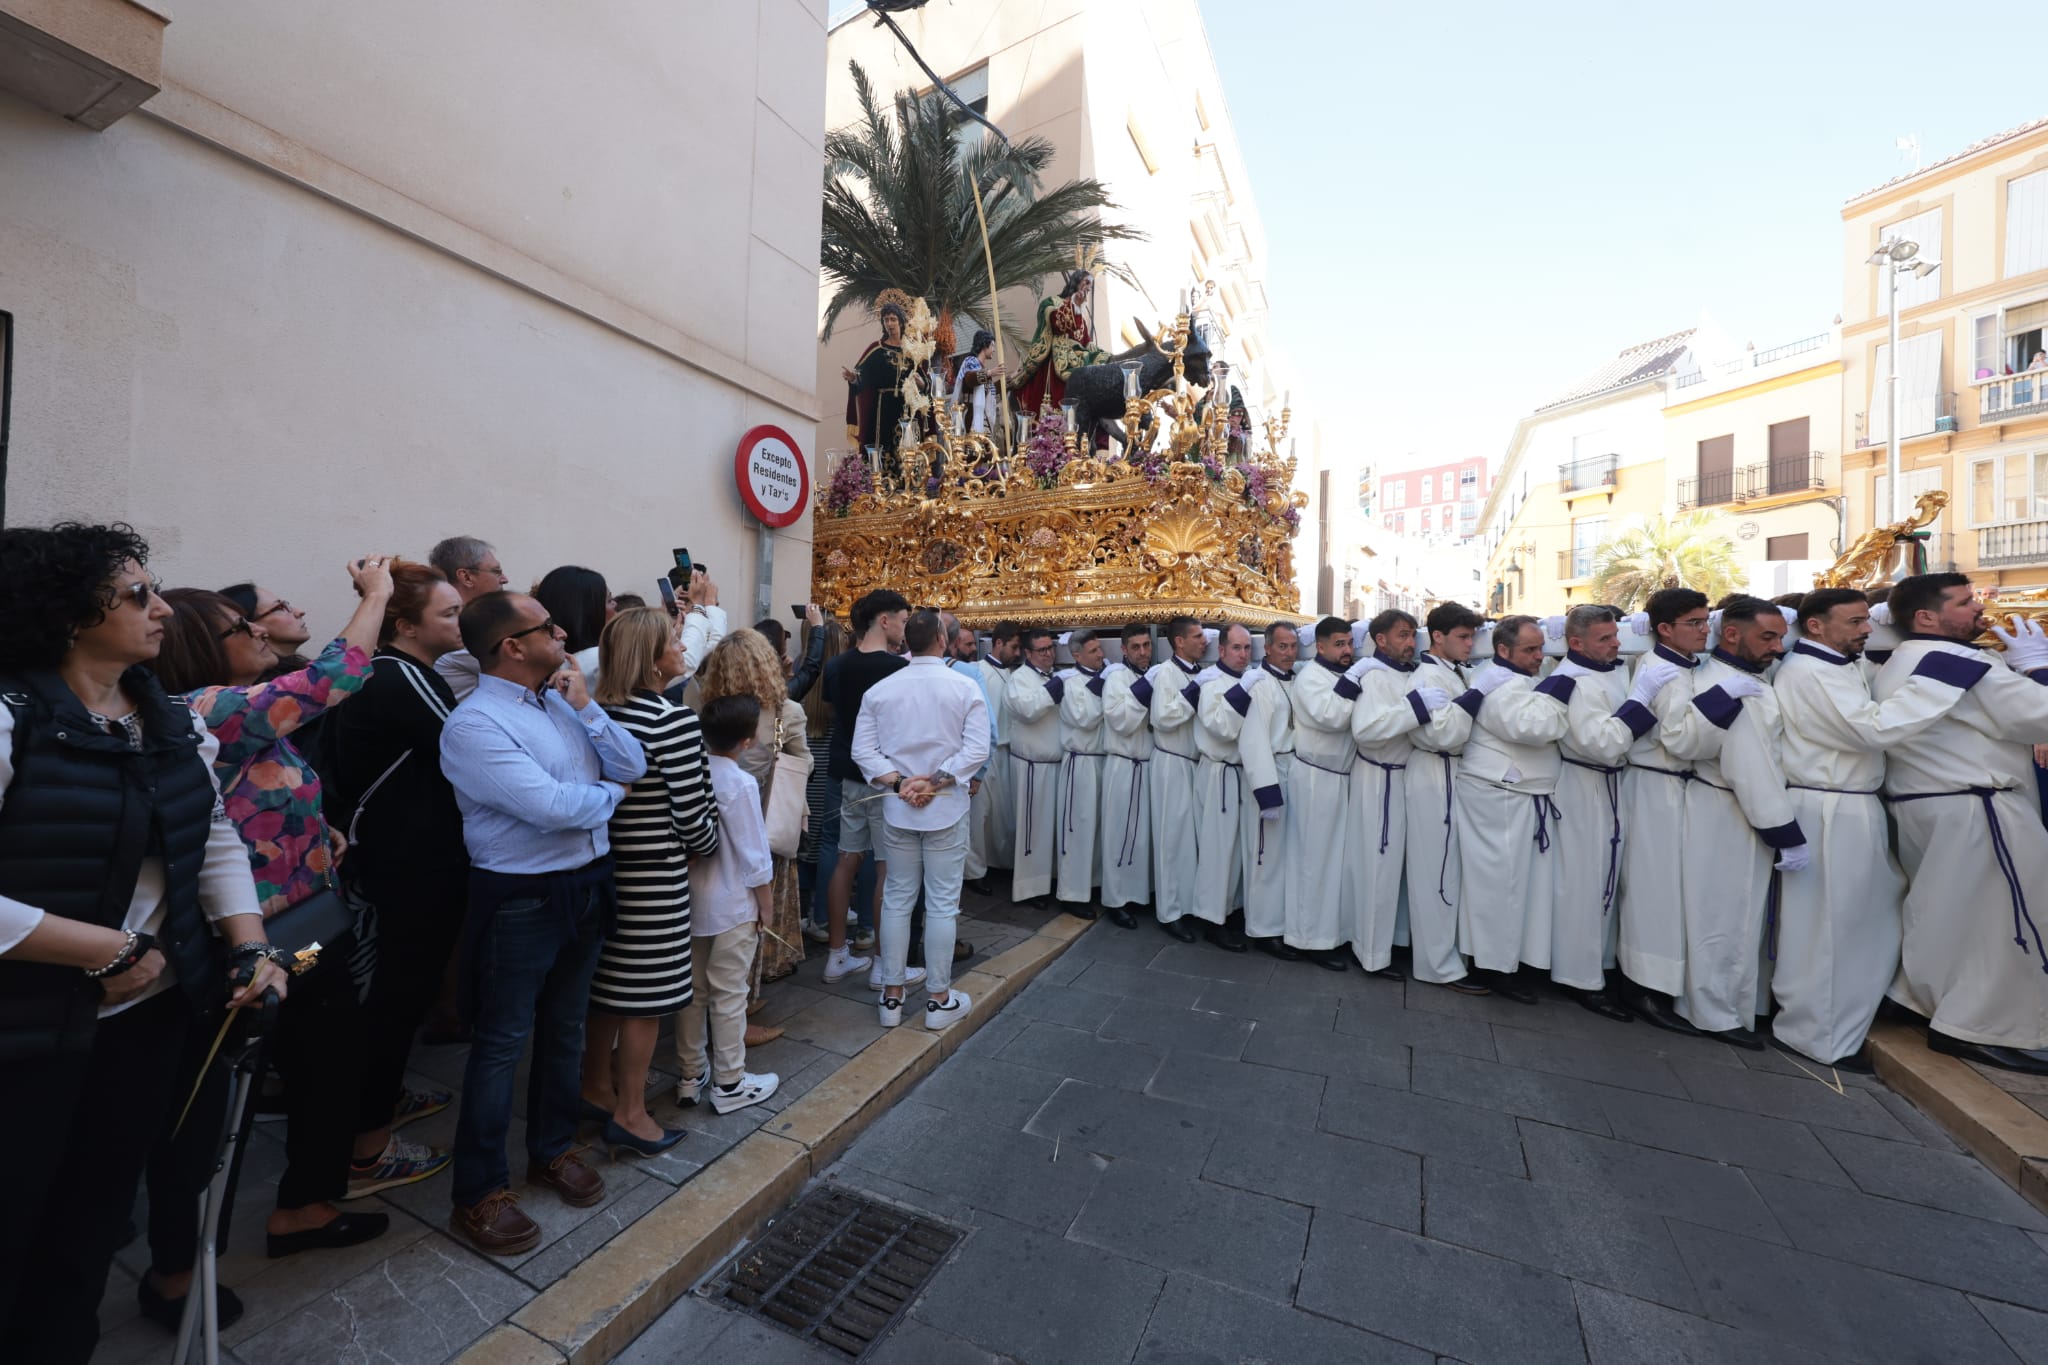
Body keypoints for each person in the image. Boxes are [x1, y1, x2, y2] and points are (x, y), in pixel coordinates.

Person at [0, 524, 287, 1361]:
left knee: (93, 1215)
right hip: (25, 1028)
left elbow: (216, 834)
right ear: (66, 614)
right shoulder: (11, 715)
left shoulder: (164, 717)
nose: (161, 607)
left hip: (150, 1019)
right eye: (137, 593)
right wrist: (107, 949)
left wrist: (249, 943)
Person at [154, 564, 397, 1266]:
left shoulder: (237, 714)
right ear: (199, 648)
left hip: (306, 935)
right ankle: (181, 1268)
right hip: (263, 948)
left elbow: (257, 804)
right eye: (240, 628)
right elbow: (333, 679)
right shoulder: (210, 709)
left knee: (325, 1060)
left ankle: (305, 1206)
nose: (260, 629)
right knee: (228, 1103)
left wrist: (319, 836)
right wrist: (376, 596)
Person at [438, 590, 647, 1256]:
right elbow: (553, 806)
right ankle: (478, 1189)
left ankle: (551, 1148)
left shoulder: (558, 700)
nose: (563, 632)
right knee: (502, 1041)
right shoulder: (473, 724)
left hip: (587, 884)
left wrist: (586, 706)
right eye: (547, 627)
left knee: (566, 1026)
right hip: (522, 897)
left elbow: (634, 761)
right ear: (513, 646)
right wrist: (612, 798)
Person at [327, 559, 471, 1197]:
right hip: (405, 869)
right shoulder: (397, 676)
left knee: (400, 999)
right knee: (395, 999)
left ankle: (377, 1101)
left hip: (409, 861)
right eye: (449, 613)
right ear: (405, 626)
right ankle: (367, 1150)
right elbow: (470, 750)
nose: (461, 620)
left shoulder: (414, 672)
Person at [1773, 588, 1954, 1070]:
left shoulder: (1838, 663)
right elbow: (1869, 729)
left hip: (1853, 806)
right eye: (1854, 622)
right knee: (1830, 926)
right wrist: (1942, 679)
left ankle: (1842, 1023)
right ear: (1815, 625)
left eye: (1865, 620)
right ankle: (1816, 1034)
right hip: (1828, 808)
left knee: (1860, 921)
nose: (1865, 629)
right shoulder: (1808, 671)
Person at [1875, 573, 2048, 1073]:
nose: (1979, 608)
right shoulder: (1958, 660)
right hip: (1977, 805)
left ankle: (1922, 1001)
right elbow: (2037, 716)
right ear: (1926, 618)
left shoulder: (1901, 660)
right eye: (1966, 601)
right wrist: (2037, 669)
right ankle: (1978, 1026)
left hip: (1930, 804)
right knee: (2003, 920)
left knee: (1946, 913)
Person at [579, 608, 717, 1156]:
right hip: (656, 875)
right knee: (646, 999)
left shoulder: (594, 713)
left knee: (606, 989)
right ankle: (632, 1113)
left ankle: (595, 1087)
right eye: (673, 641)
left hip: (604, 866)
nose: (682, 648)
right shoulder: (670, 720)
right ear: (651, 657)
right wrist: (708, 846)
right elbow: (693, 815)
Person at [1653, 595, 1803, 1048]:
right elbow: (1748, 766)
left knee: (1740, 913)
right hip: (1727, 810)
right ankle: (1713, 1013)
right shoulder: (1728, 685)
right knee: (1722, 915)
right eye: (1767, 636)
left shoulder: (1746, 676)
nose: (1778, 647)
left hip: (1733, 808)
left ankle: (1738, 1005)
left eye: (1781, 636)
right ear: (1732, 634)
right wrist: (1785, 833)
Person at [853, 610, 991, 1030]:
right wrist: (933, 781)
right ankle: (938, 998)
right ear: (943, 641)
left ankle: (891, 997)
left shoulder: (881, 689)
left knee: (898, 898)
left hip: (901, 806)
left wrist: (901, 784)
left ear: (906, 642)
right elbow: (976, 750)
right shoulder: (964, 687)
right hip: (943, 804)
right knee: (942, 904)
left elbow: (863, 750)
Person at [1546, 606, 1665, 1020]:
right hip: (1583, 787)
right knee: (1583, 883)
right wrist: (1641, 699)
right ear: (1575, 642)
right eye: (1605, 639)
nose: (1616, 644)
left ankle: (1600, 966)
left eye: (1616, 635)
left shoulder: (1609, 668)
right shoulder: (1570, 680)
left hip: (1611, 786)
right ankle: (1578, 976)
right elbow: (1602, 743)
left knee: (1607, 879)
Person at [696, 630, 812, 1034]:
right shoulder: (786, 711)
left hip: (702, 827)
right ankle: (737, 1012)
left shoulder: (696, 702)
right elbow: (803, 766)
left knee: (707, 928)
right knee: (751, 925)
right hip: (762, 826)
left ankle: (714, 1015)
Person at [1451, 616, 1569, 1003]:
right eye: (1530, 650)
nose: (1539, 657)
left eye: (1541, 648)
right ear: (1503, 651)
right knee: (1498, 887)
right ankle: (1493, 967)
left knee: (1516, 887)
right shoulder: (1499, 684)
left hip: (1517, 796)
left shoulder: (1515, 676)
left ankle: (1510, 961)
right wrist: (1563, 686)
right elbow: (1531, 727)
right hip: (1498, 797)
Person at [679, 695, 784, 1110]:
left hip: (689, 902)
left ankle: (690, 1074)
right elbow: (754, 854)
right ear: (747, 740)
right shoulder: (740, 782)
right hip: (732, 903)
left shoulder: (690, 773)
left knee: (692, 992)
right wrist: (767, 904)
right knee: (729, 994)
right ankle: (729, 1081)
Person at [1616, 588, 1711, 1032]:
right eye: (1693, 623)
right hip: (1655, 784)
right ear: (1665, 629)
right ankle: (1643, 987)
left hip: (1678, 789)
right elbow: (1678, 737)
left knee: (1673, 889)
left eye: (1705, 620)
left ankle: (1663, 981)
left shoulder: (1690, 666)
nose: (1703, 630)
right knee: (1654, 890)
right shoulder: (1657, 671)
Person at [1342, 611, 1451, 981]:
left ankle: (1396, 942)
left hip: (1406, 777)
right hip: (1379, 779)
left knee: (1404, 870)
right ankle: (1371, 954)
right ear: (1380, 639)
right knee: (1378, 868)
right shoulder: (1373, 674)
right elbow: (1367, 730)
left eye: (1412, 636)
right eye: (1402, 635)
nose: (1410, 643)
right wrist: (1416, 708)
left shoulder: (1408, 672)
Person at [821, 591, 910, 982]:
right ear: (884, 621)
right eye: (903, 621)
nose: (905, 629)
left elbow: (835, 712)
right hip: (883, 773)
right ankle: (881, 962)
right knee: (886, 867)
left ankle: (836, 953)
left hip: (845, 769)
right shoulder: (896, 668)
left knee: (846, 859)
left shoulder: (838, 665)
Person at [1404, 604, 1480, 991]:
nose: (1471, 644)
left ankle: (1452, 955)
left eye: (1471, 636)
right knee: (1435, 870)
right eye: (1463, 637)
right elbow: (1442, 735)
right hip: (1434, 773)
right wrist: (1476, 697)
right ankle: (1436, 965)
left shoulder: (1454, 673)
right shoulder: (1426, 678)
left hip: (1452, 775)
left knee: (1451, 869)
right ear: (1437, 637)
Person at [1286, 618, 1357, 971]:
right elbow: (1330, 716)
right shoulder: (1311, 677)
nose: (1347, 650)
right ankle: (1309, 939)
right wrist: (1355, 685)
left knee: (1336, 863)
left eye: (1349, 643)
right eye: (1340, 644)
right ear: (1321, 646)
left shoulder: (1338, 676)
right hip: (1315, 778)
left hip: (1340, 779)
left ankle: (1332, 933)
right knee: (1314, 862)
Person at [1191, 625, 1257, 952]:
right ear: (1221, 650)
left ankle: (1230, 910)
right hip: (1219, 772)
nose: (1243, 654)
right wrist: (1243, 693)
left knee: (1238, 850)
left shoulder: (1249, 678)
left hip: (1242, 774)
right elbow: (1221, 728)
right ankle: (1211, 919)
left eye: (1247, 648)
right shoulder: (1211, 683)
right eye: (1236, 648)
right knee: (1218, 849)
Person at [1237, 623, 1299, 958]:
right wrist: (1266, 791)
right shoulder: (1261, 684)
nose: (1290, 653)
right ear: (1268, 648)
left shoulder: (1294, 679)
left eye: (1293, 646)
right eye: (1283, 646)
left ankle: (1281, 921)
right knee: (1266, 856)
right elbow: (1253, 740)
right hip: (1270, 773)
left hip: (1293, 771)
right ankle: (1263, 929)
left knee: (1285, 855)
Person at [1147, 617, 1208, 940]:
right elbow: (1163, 717)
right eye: (1197, 636)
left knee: (1191, 840)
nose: (1204, 641)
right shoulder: (1168, 673)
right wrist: (1195, 693)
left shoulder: (1196, 671)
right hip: (1171, 763)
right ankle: (1169, 912)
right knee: (1172, 839)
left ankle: (1189, 904)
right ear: (1179, 642)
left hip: (1192, 764)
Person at [1097, 624, 1155, 925]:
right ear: (1123, 649)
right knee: (1119, 832)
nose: (1143, 652)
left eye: (1147, 645)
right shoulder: (1117, 678)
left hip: (1147, 765)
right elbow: (1120, 721)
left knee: (1142, 834)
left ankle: (1138, 893)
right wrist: (1146, 689)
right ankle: (1115, 898)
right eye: (1136, 647)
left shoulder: (1150, 674)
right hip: (1123, 764)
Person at [1006, 628, 1066, 907]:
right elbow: (1027, 710)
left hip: (1056, 764)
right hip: (1032, 767)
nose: (1049, 654)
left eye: (1050, 649)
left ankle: (1051, 881)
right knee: (1034, 831)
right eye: (1042, 650)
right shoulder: (1019, 679)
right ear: (1028, 653)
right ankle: (1030, 889)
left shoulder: (1053, 676)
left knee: (1054, 830)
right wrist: (1052, 690)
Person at [1055, 629, 1110, 918]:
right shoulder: (1070, 681)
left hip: (1103, 760)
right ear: (1076, 655)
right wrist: (1105, 689)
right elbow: (1085, 718)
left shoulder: (1105, 677)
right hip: (1081, 762)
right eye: (1093, 651)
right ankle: (1072, 893)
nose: (1101, 655)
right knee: (1078, 827)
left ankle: (1094, 884)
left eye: (1100, 649)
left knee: (1099, 827)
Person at [428, 535, 511, 702]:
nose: (505, 579)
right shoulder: (461, 628)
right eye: (496, 571)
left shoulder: (468, 621)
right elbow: (525, 665)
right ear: (466, 577)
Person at [1013, 270, 1108, 415]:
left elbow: (1087, 343)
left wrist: (1102, 356)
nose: (1089, 288)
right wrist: (1073, 305)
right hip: (1058, 361)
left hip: (1077, 362)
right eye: (1087, 283)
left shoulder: (1081, 318)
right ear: (1076, 282)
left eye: (1091, 286)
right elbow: (1056, 324)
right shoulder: (1051, 303)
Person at [972, 621, 1022, 884]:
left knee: (1005, 814)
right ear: (998, 643)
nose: (1017, 654)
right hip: (983, 752)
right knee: (980, 815)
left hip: (1008, 751)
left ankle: (1002, 863)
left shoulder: (1018, 676)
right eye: (1013, 647)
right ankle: (975, 871)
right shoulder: (977, 671)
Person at [845, 299, 911, 459]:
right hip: (883, 408)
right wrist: (854, 379)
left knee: (907, 452)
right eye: (886, 319)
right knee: (882, 452)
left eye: (893, 319)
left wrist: (921, 383)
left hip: (906, 408)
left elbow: (925, 381)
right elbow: (862, 376)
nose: (890, 323)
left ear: (901, 322)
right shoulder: (877, 349)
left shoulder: (912, 350)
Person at [534, 565, 612, 690]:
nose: (615, 606)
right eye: (609, 600)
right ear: (588, 612)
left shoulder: (541, 665)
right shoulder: (604, 659)